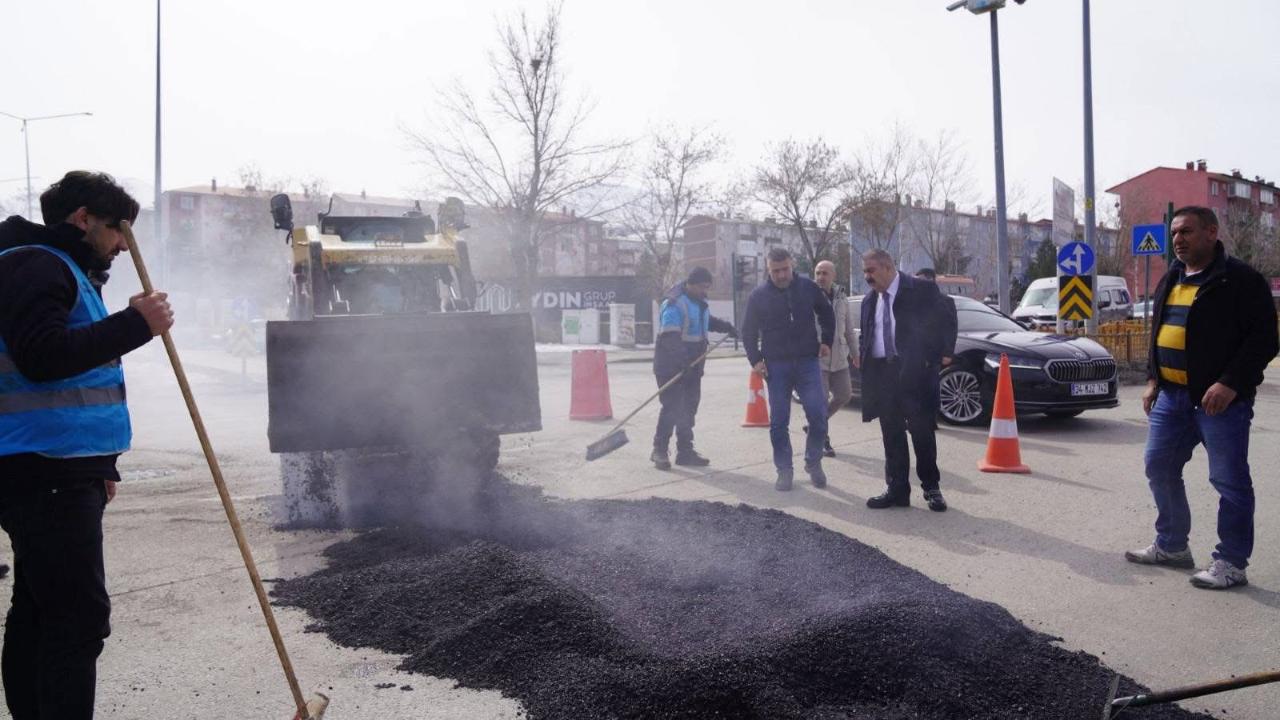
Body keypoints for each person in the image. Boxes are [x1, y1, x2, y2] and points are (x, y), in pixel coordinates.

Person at [0, 171, 174, 718]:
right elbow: (43, 357)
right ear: (83, 219)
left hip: (56, 466)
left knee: (38, 608)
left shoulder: (63, 269)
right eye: (119, 228)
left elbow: (79, 383)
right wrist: (135, 324)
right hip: (42, 468)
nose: (124, 243)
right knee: (76, 619)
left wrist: (101, 467)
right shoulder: (37, 264)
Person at [1124, 206, 1278, 590]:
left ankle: (1231, 562)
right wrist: (1151, 379)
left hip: (1220, 402)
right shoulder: (1172, 276)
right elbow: (1158, 331)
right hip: (1171, 397)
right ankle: (1172, 546)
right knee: (1158, 467)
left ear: (1211, 232)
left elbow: (1264, 340)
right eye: (1175, 233)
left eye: (1187, 232)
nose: (1179, 239)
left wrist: (1229, 383)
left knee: (1229, 481)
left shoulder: (1240, 279)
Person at [856, 249, 951, 512]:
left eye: (871, 270)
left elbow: (944, 320)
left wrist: (937, 356)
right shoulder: (868, 301)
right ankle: (897, 490)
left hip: (914, 373)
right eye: (864, 271)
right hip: (883, 374)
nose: (867, 276)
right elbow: (867, 334)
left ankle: (932, 488)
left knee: (921, 433)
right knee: (891, 434)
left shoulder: (921, 290)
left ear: (887, 267)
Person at [741, 247, 834, 491]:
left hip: (807, 362)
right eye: (775, 271)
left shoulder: (808, 287)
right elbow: (748, 331)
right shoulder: (758, 296)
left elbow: (826, 313)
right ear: (768, 270)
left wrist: (827, 340)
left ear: (791, 265)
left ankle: (813, 462)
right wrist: (756, 360)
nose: (781, 275)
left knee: (818, 414)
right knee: (779, 421)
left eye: (785, 269)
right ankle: (784, 470)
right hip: (776, 366)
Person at [651, 266, 737, 469]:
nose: (704, 291)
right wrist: (683, 363)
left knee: (688, 409)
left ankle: (685, 452)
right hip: (671, 367)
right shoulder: (674, 304)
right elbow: (670, 337)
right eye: (702, 287)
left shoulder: (699, 302)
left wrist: (726, 327)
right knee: (672, 408)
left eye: (707, 287)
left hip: (692, 367)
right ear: (690, 284)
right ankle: (659, 450)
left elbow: (705, 322)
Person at [811, 260, 857, 458]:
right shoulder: (808, 296)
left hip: (840, 359)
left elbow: (849, 330)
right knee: (820, 401)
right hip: (817, 359)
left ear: (833, 276)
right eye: (818, 273)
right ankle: (822, 439)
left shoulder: (842, 298)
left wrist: (856, 354)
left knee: (845, 395)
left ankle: (816, 424)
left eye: (825, 273)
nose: (821, 277)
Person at [913, 268, 957, 368]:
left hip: (934, 355)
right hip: (915, 354)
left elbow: (950, 328)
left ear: (930, 280)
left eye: (920, 280)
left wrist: (948, 353)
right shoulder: (913, 300)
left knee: (931, 381)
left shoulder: (945, 301)